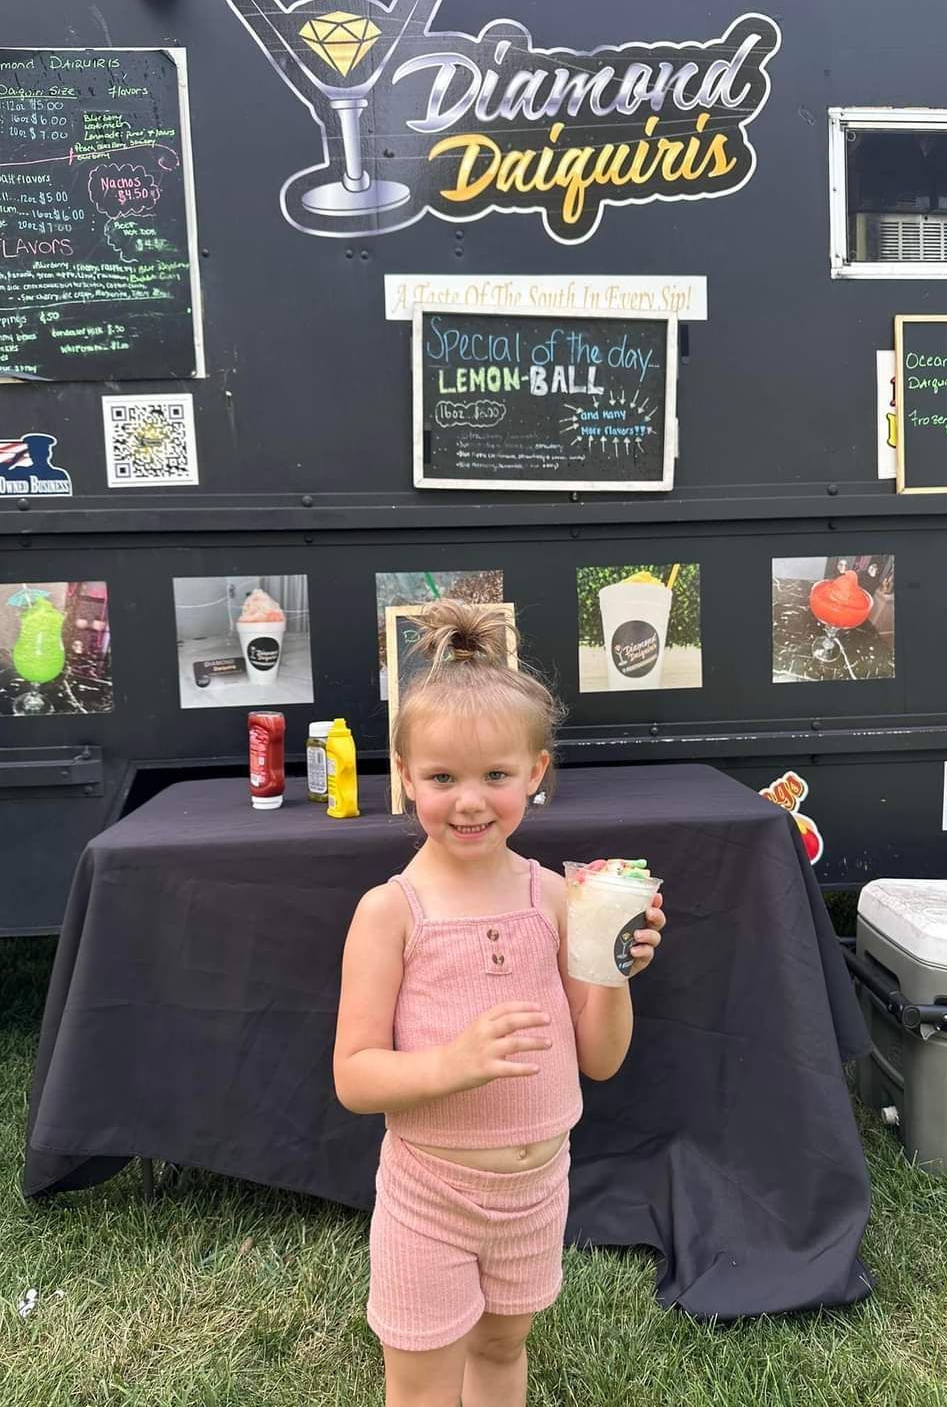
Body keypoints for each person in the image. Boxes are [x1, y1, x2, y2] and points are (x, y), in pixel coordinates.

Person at [333, 600, 666, 1407]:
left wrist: (614, 971)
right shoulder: (391, 912)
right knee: (422, 1376)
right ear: (405, 775)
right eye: (442, 778)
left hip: (537, 1189)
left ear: (536, 774)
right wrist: (453, 1064)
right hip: (430, 1195)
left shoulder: (556, 898)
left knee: (501, 1348)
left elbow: (601, 1059)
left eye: (496, 776)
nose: (470, 801)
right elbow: (354, 1077)